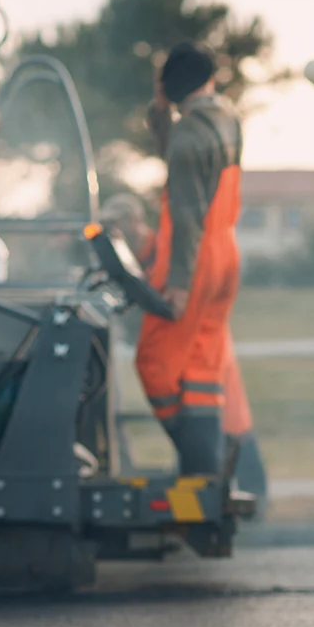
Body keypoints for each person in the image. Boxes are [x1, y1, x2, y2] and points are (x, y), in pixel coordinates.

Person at [104, 192, 268, 507]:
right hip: (180, 353)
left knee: (230, 421)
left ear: (135, 221)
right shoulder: (133, 261)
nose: (115, 233)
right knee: (196, 423)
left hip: (202, 349)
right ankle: (206, 481)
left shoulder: (164, 254)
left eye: (117, 224)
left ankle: (254, 494)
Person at [134, 43, 242, 476]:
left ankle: (203, 463)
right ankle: (211, 463)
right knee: (199, 365)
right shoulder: (228, 119)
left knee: (154, 361)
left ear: (168, 87)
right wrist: (163, 111)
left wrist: (178, 283)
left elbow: (185, 213)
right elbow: (179, 154)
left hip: (192, 259)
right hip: (226, 255)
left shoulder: (185, 136)